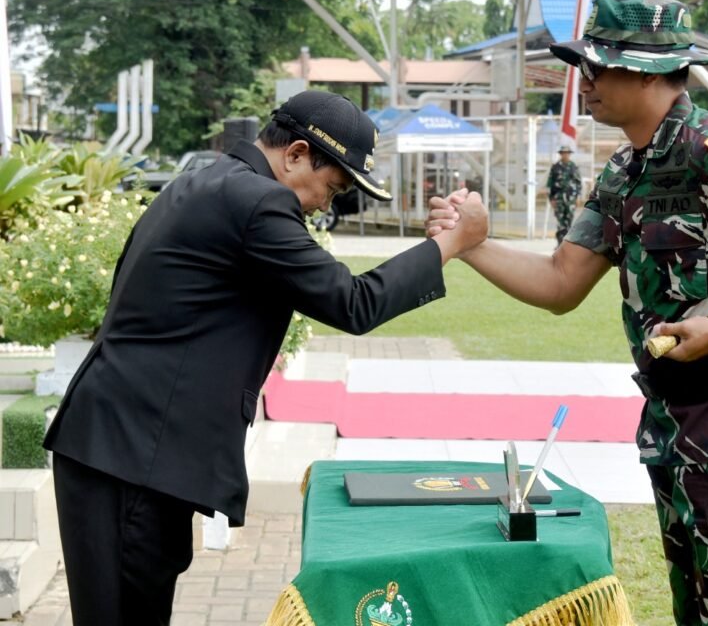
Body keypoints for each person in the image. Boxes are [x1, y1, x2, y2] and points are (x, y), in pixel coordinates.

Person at [45, 90, 488, 626]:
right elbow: (353, 303)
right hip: (133, 454)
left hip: (118, 446)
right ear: (297, 154)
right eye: (332, 188)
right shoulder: (258, 202)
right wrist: (453, 243)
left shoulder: (203, 181)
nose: (324, 205)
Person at [427, 0, 708, 625]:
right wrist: (471, 244)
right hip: (673, 430)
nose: (583, 81)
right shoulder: (623, 173)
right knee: (694, 609)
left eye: (598, 67)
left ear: (648, 72)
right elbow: (562, 282)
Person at [546, 144, 581, 246]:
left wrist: (578, 197)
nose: (565, 155)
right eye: (563, 153)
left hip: (571, 199)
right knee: (560, 221)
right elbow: (550, 184)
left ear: (569, 154)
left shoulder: (573, 166)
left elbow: (578, 183)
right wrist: (551, 199)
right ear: (560, 154)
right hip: (559, 198)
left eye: (567, 153)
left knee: (569, 221)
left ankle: (567, 245)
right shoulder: (555, 167)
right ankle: (560, 243)